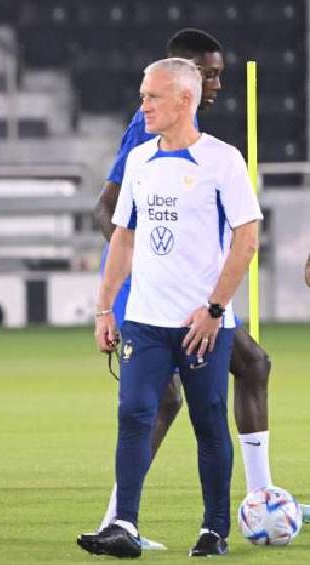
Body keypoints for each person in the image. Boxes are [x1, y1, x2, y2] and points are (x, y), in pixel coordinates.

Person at [91, 29, 278, 549]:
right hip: (152, 297)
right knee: (155, 405)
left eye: (218, 73)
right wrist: (119, 291)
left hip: (204, 303)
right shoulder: (141, 140)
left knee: (218, 394)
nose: (219, 83)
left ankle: (222, 520)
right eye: (211, 72)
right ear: (188, 79)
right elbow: (113, 217)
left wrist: (215, 303)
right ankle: (122, 519)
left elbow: (247, 237)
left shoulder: (219, 157)